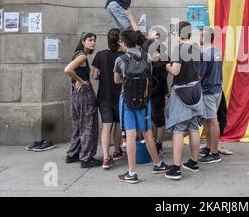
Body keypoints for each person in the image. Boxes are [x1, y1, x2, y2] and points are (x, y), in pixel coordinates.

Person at [114, 29, 170, 184]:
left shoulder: (121, 60)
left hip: (127, 101)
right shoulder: (147, 57)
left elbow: (117, 80)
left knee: (130, 135)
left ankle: (132, 172)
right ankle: (158, 164)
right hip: (145, 101)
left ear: (124, 43)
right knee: (147, 133)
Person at [165, 21, 205, 180]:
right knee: (194, 127)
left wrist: (167, 66)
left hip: (182, 92)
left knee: (179, 130)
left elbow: (175, 70)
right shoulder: (195, 48)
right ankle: (194, 162)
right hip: (196, 91)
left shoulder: (178, 49)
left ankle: (175, 168)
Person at [64, 32, 101, 168]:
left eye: (94, 40)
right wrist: (81, 81)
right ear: (83, 41)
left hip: (75, 95)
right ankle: (86, 158)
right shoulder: (82, 56)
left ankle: (73, 153)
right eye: (90, 40)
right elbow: (68, 70)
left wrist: (77, 80)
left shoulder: (77, 54)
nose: (93, 42)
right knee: (88, 125)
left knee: (79, 125)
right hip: (84, 95)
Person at [92, 28, 125, 169]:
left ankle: (106, 158)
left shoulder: (100, 55)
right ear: (120, 41)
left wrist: (103, 76)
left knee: (106, 126)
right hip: (119, 95)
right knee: (118, 124)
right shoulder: (123, 56)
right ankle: (117, 151)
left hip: (104, 96)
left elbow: (94, 76)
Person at [141, 28, 169, 155]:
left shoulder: (160, 59)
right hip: (152, 92)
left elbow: (162, 78)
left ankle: (158, 144)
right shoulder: (151, 59)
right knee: (152, 118)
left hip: (156, 92)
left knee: (159, 119)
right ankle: (153, 142)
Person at [198, 27, 223, 164]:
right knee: (208, 121)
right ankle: (209, 147)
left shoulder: (205, 54)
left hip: (208, 91)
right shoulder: (217, 51)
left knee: (212, 121)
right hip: (217, 89)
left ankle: (214, 153)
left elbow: (200, 76)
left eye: (200, 36)